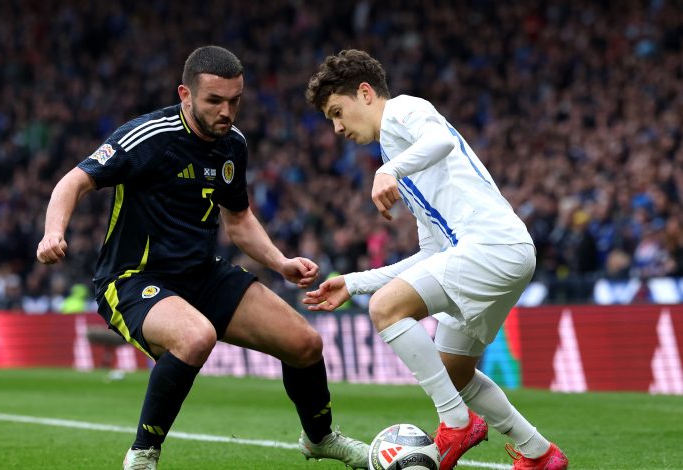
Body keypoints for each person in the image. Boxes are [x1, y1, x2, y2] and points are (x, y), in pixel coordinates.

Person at [36, 45, 368, 470]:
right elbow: (74, 182)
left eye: (235, 100)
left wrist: (280, 262)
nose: (226, 111)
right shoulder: (147, 139)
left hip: (201, 273)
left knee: (305, 343)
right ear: (185, 95)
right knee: (195, 337)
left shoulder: (233, 145)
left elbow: (239, 219)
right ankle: (143, 454)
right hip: (133, 278)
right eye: (215, 100)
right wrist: (53, 233)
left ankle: (320, 438)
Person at [303, 49, 569, 470]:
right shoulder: (400, 162)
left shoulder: (404, 110)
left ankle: (455, 422)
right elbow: (431, 254)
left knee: (386, 309)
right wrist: (354, 281)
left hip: (492, 247)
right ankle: (540, 454)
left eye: (338, 111)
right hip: (495, 253)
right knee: (454, 373)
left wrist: (387, 173)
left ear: (366, 93)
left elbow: (440, 140)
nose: (336, 127)